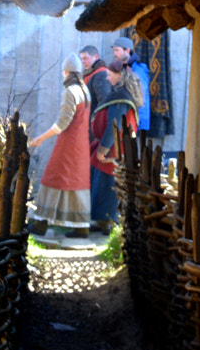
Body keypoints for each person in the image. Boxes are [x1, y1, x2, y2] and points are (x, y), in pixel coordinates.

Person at [28, 53, 92, 235]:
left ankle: (40, 224)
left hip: (68, 145)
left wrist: (40, 138)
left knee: (52, 177)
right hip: (81, 146)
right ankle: (81, 227)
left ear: (66, 72)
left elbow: (62, 123)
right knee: (77, 183)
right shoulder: (85, 91)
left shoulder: (70, 91)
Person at [88, 59, 139, 229]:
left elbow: (113, 126)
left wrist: (102, 151)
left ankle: (107, 221)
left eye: (110, 75)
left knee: (107, 186)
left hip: (114, 150)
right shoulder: (120, 94)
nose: (108, 79)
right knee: (102, 185)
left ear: (119, 75)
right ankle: (102, 220)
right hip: (112, 148)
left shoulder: (121, 98)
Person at [110, 35, 151, 136]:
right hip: (126, 120)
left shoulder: (138, 71)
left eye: (117, 50)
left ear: (127, 50)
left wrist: (137, 123)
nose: (115, 53)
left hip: (136, 123)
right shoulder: (121, 68)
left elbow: (141, 98)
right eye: (114, 50)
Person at [78, 43, 112, 109]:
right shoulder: (89, 73)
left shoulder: (101, 75)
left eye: (85, 58)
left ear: (96, 57)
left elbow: (104, 103)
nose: (83, 62)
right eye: (81, 59)